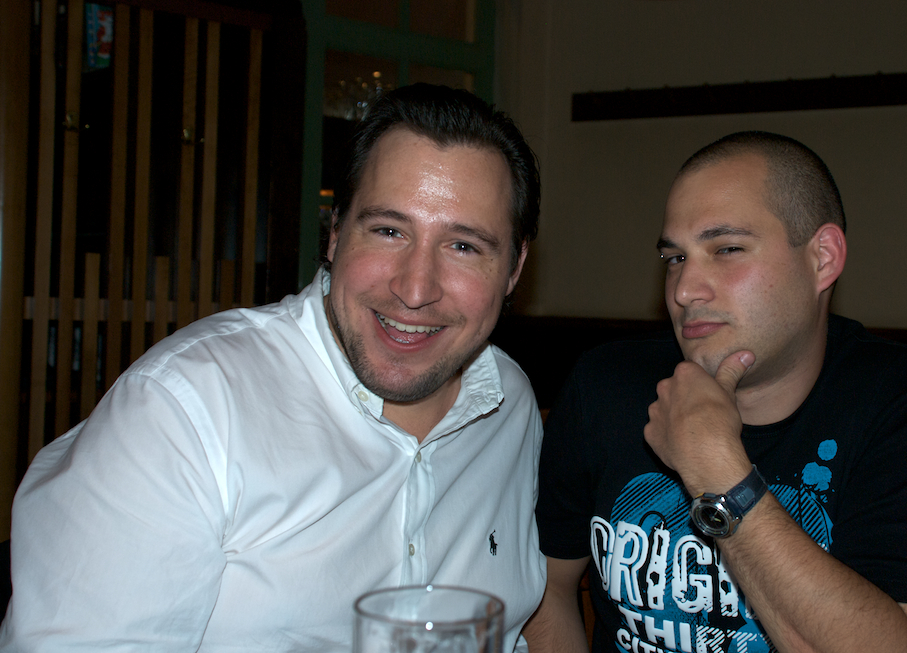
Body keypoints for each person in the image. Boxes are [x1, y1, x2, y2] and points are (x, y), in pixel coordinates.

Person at [0, 84, 546, 652]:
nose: (414, 289)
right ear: (335, 233)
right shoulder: (182, 412)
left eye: (464, 247)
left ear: (514, 268)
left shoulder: (510, 406)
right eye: (388, 231)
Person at [524, 131, 907, 653]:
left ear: (823, 258)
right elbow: (545, 589)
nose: (684, 290)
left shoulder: (896, 401)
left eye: (727, 249)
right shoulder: (606, 385)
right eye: (675, 258)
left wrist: (718, 470)